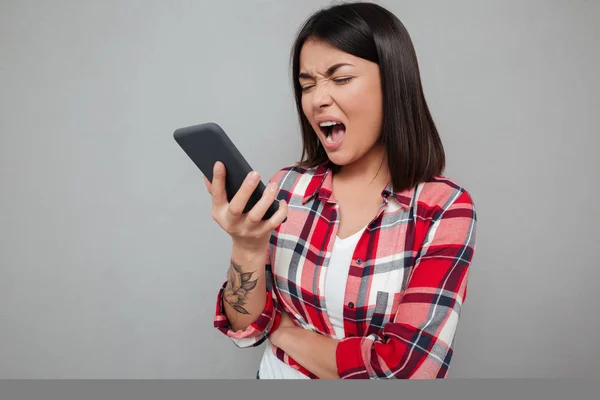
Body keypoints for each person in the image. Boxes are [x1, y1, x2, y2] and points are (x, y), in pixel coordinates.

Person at [205, 2, 477, 379]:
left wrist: (281, 329)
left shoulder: (444, 208)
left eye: (341, 78)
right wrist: (246, 246)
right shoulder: (286, 188)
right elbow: (245, 329)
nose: (317, 100)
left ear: (393, 82)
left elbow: (405, 371)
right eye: (307, 85)